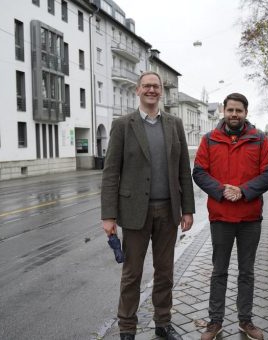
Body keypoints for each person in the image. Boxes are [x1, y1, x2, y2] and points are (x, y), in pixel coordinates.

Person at [101, 71, 195, 340]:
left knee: (165, 272)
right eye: (147, 86)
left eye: (156, 86)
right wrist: (108, 216)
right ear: (138, 91)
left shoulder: (174, 124)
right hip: (133, 213)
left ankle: (162, 323)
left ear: (161, 92)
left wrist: (187, 209)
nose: (152, 90)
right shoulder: (123, 125)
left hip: (168, 211)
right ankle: (127, 329)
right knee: (132, 275)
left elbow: (182, 171)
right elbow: (110, 173)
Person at [193, 93, 268, 340]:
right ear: (224, 112)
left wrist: (243, 191)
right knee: (219, 271)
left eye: (239, 110)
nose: (234, 114)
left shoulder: (260, 140)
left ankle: (245, 321)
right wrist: (221, 191)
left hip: (250, 217)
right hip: (221, 217)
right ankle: (215, 321)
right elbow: (199, 172)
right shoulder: (209, 140)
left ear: (246, 113)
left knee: (247, 271)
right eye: (230, 110)